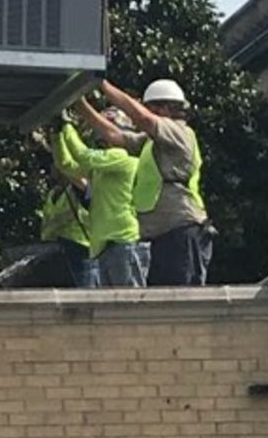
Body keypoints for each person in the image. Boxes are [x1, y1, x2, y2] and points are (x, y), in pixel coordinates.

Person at [80, 78, 210, 286]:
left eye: (151, 108)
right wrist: (80, 105)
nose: (146, 113)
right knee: (158, 300)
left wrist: (102, 84)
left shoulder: (178, 132)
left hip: (181, 230)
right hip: (159, 235)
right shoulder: (152, 142)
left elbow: (142, 118)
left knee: (181, 297)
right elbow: (116, 136)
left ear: (166, 108)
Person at [54, 108, 147, 287]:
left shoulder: (122, 158)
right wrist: (57, 135)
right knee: (112, 302)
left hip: (121, 240)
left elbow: (83, 156)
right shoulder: (103, 167)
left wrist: (66, 127)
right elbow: (66, 165)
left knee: (129, 300)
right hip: (105, 244)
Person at [35, 136, 97, 288]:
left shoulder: (78, 189)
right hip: (56, 252)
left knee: (85, 292)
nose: (52, 169)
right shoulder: (53, 194)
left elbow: (71, 171)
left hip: (81, 249)